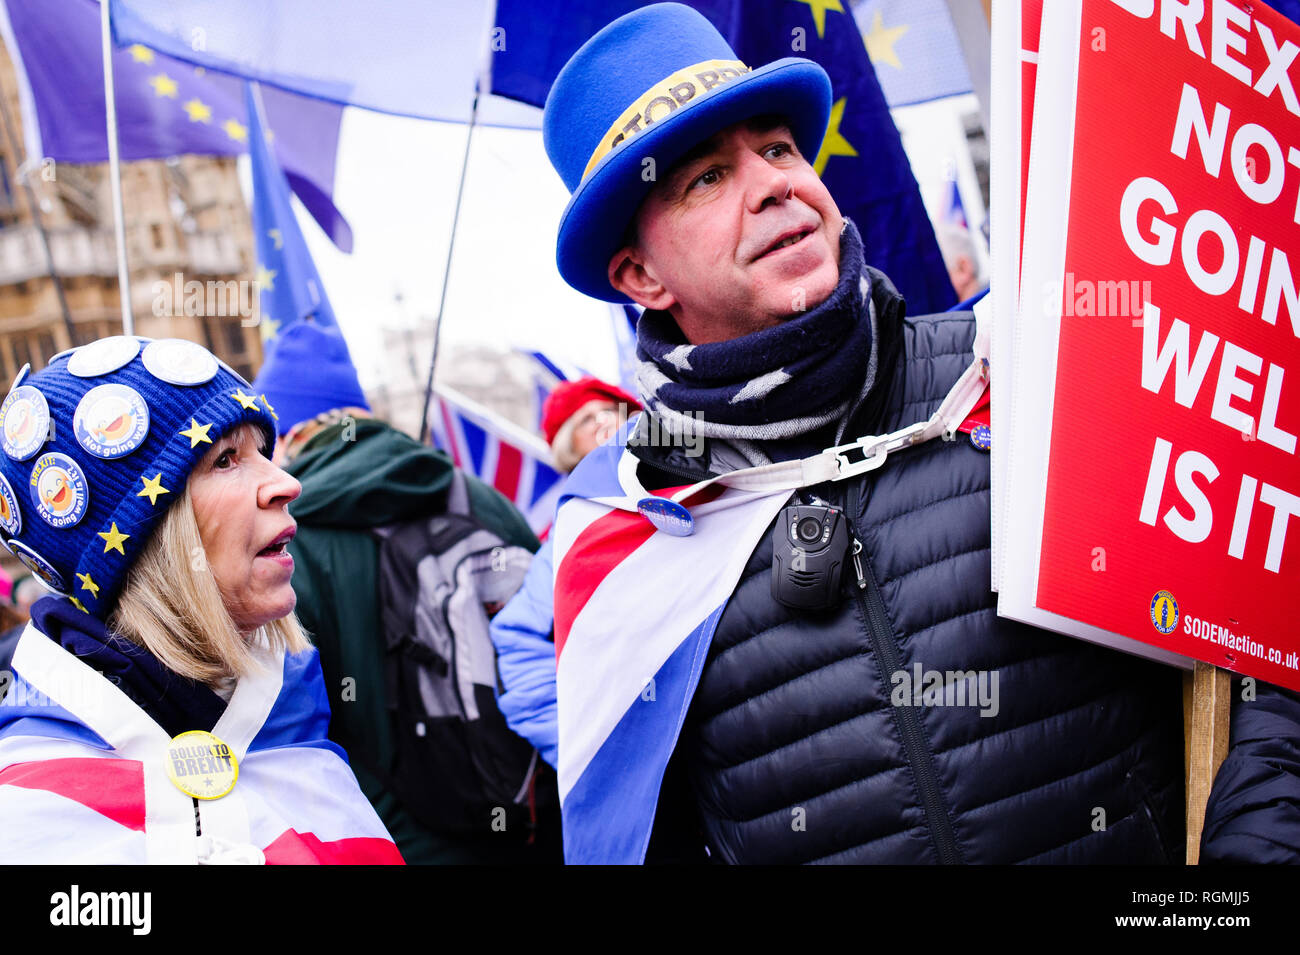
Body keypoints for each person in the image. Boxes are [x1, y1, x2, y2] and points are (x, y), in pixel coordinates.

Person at [537, 2, 1257, 865]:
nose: (774, 183)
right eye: (706, 179)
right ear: (640, 275)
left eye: (777, 149)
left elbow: (1250, 640)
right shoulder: (622, 546)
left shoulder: (1027, 375)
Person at [0, 336, 402, 864]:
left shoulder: (294, 719)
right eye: (226, 460)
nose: (286, 482)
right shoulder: (31, 814)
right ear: (145, 541)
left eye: (264, 452)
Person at [253, 321, 561, 863]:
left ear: (286, 434)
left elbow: (299, 725)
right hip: (537, 810)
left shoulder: (286, 539)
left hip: (403, 837)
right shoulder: (475, 493)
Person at [492, 376, 639, 767]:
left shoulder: (705, 477)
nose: (606, 421)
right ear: (567, 448)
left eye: (612, 410)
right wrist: (588, 757)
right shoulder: (569, 533)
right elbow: (519, 641)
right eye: (587, 419)